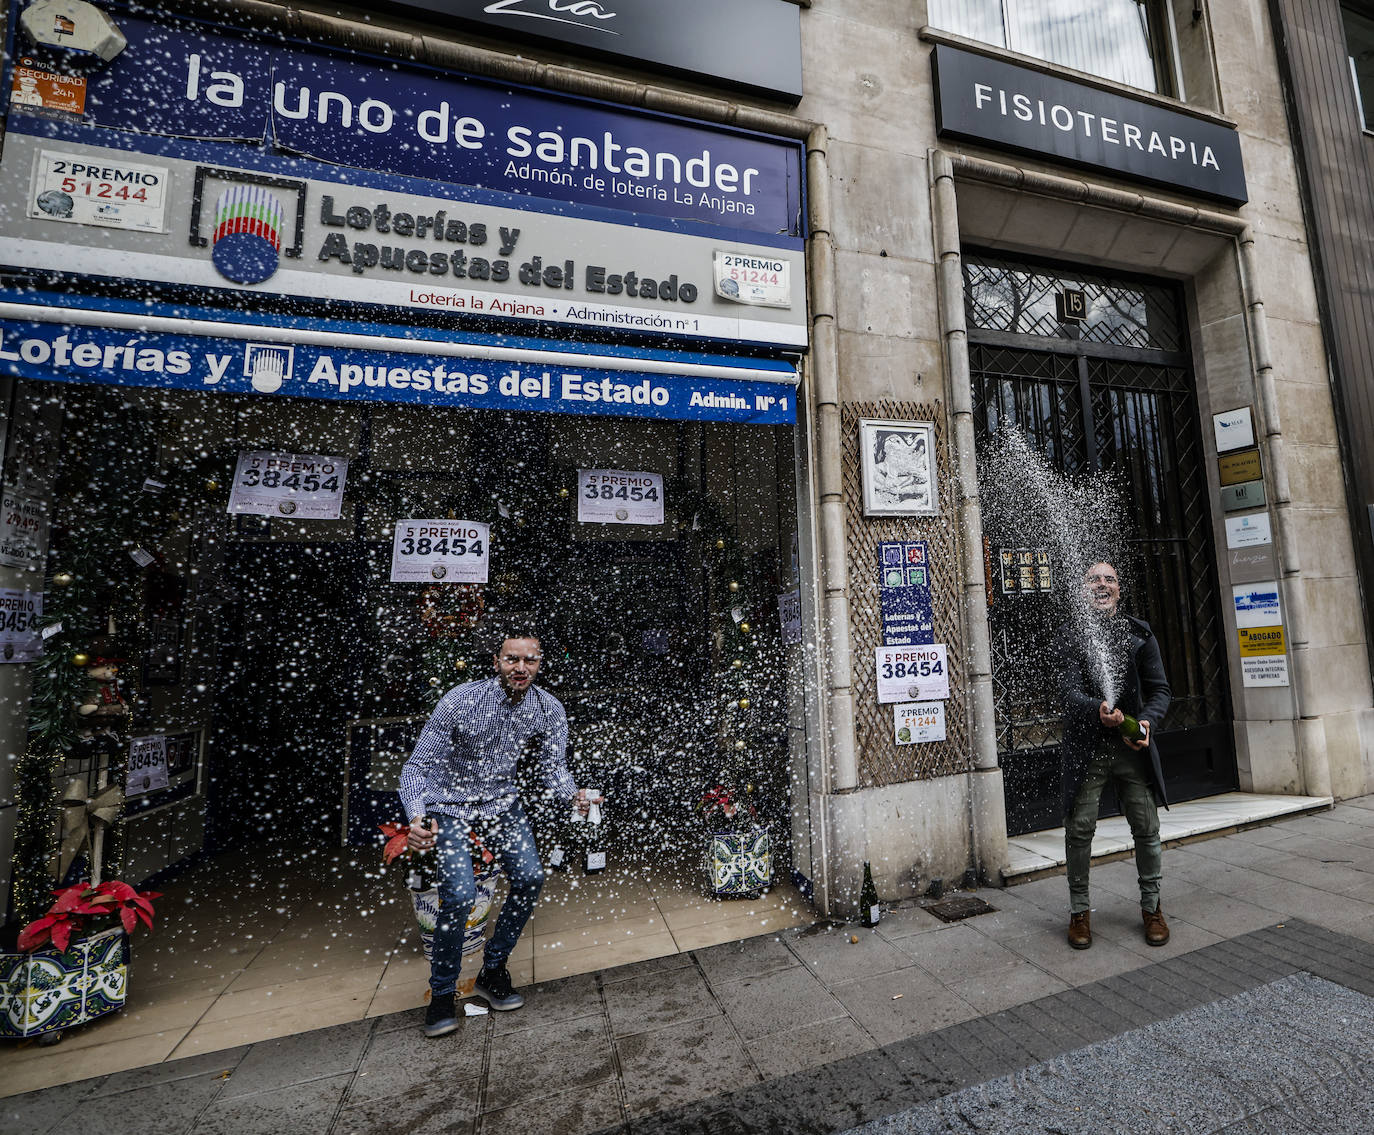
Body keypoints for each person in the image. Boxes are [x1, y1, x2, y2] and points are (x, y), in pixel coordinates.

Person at [399, 633, 596, 1038]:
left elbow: (553, 768)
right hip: (449, 808)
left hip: (501, 805)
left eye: (530, 660)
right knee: (458, 895)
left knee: (530, 877)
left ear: (540, 663)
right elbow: (415, 768)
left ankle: (492, 970)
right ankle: (441, 996)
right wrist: (417, 817)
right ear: (496, 662)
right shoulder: (461, 700)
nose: (521, 668)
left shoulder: (548, 708)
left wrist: (572, 794)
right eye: (512, 659)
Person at [1057, 561, 1171, 951]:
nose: (1102, 584)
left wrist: (1146, 724)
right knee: (1079, 830)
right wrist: (1097, 709)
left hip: (1131, 750)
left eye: (1110, 579)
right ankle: (1079, 913)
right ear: (1083, 589)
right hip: (1089, 751)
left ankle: (1152, 908)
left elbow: (1160, 691)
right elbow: (1066, 692)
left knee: (1146, 827)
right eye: (1094, 579)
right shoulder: (1072, 634)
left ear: (1120, 590)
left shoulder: (1140, 635)